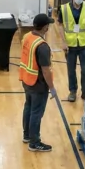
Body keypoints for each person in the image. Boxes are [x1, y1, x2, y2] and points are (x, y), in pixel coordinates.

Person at [18, 13, 55, 153]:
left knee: (28, 107)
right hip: (38, 83)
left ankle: (27, 135)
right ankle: (34, 142)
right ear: (45, 27)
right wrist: (51, 87)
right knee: (36, 113)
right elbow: (46, 70)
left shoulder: (27, 36)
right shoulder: (42, 46)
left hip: (26, 79)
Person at [59, 0, 85, 102]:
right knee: (71, 70)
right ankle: (72, 91)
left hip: (84, 44)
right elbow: (60, 25)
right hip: (70, 45)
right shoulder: (64, 9)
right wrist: (63, 42)